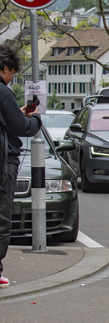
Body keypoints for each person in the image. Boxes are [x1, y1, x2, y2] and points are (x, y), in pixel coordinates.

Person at [0, 44, 42, 288]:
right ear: (5, 68)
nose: (11, 77)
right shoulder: (3, 92)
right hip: (3, 162)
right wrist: (35, 118)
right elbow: (22, 128)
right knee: (2, 217)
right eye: (12, 73)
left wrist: (16, 113)